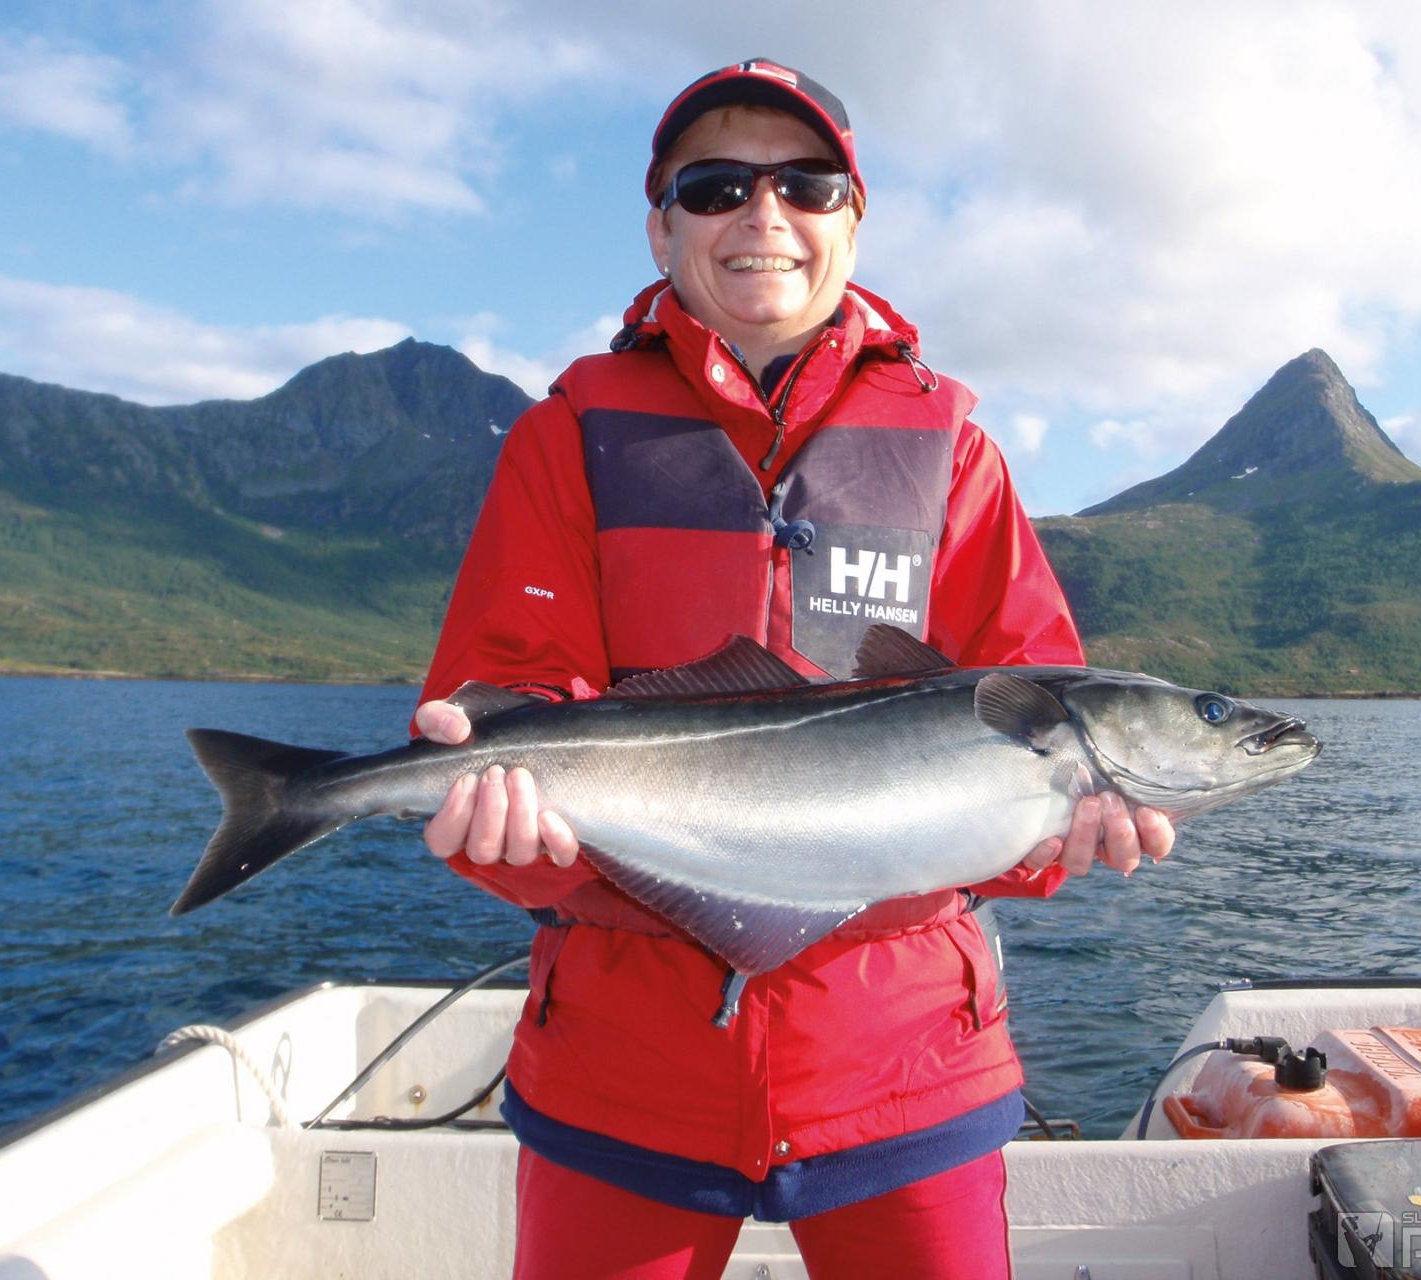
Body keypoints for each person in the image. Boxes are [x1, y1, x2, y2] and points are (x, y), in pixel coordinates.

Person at [413, 58, 1176, 1280]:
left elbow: (1031, 708)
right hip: (621, 1064)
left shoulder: (951, 449)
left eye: (806, 185)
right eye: (715, 186)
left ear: (851, 221)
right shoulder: (567, 434)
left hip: (905, 1060)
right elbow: (508, 697)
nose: (762, 214)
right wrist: (502, 834)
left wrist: (1062, 833)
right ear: (661, 228)